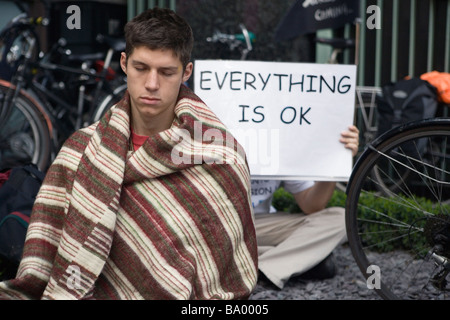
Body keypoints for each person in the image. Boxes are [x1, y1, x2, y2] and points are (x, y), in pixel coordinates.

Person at [0, 8, 258, 300]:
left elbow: (223, 272)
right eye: (141, 68)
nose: (151, 84)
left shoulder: (221, 155)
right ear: (124, 63)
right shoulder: (80, 149)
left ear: (187, 72)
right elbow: (49, 242)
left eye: (166, 72)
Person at [252, 125, 359, 289]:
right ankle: (294, 260)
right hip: (209, 223)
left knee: (339, 218)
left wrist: (335, 161)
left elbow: (311, 206)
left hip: (258, 225)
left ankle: (260, 267)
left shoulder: (280, 138)